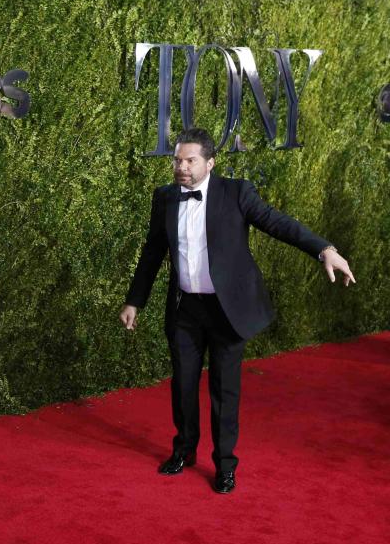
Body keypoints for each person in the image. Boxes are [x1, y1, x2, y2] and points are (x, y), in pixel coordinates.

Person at [120, 128, 355, 494]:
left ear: (210, 163)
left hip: (227, 309)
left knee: (224, 390)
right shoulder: (164, 197)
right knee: (182, 384)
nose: (181, 166)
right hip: (185, 308)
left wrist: (323, 250)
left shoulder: (237, 192)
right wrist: (135, 300)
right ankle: (183, 450)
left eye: (189, 160)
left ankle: (225, 465)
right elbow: (153, 252)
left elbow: (280, 224)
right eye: (177, 160)